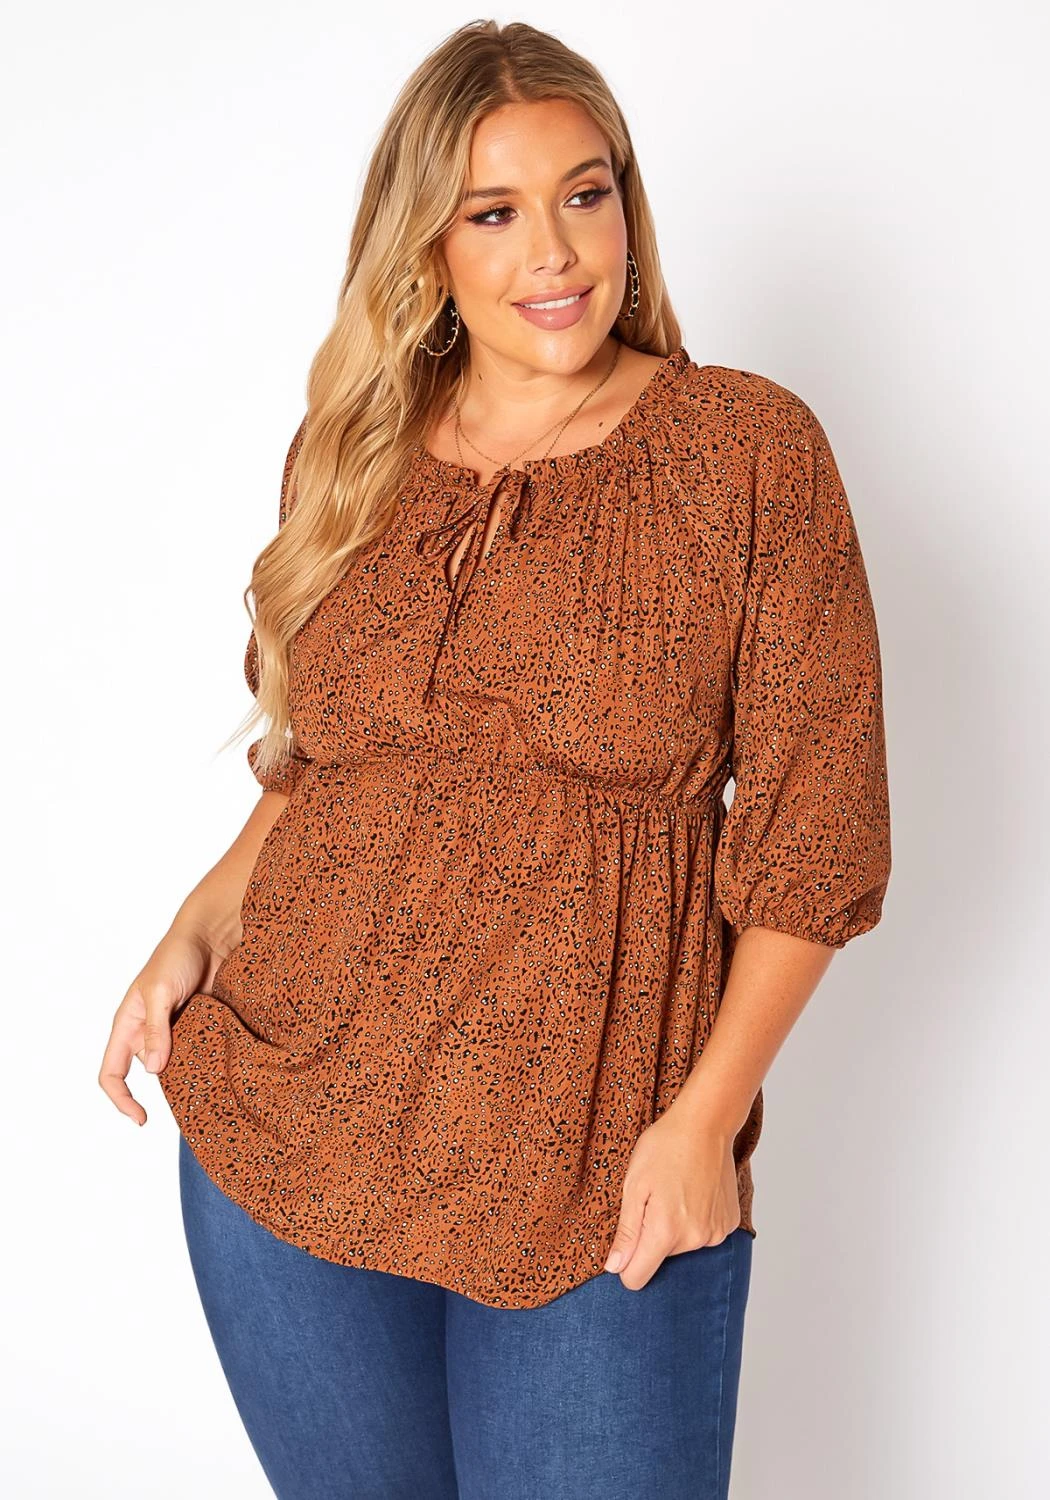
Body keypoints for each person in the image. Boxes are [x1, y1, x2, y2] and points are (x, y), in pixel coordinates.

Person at [99, 19, 892, 1500]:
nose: (555, 252)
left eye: (585, 195)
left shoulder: (744, 452)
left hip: (597, 1164)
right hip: (292, 1129)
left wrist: (703, 1123)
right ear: (427, 247)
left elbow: (816, 836)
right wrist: (198, 922)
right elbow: (329, 765)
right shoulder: (353, 455)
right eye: (493, 212)